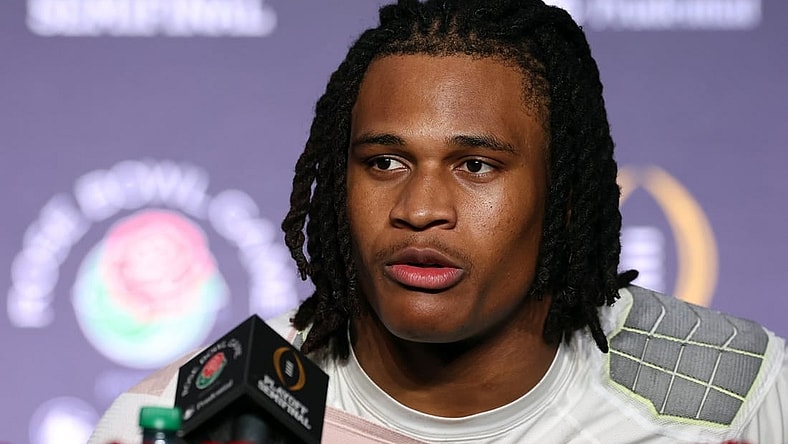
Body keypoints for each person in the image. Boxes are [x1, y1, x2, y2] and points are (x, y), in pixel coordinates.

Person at [90, 0, 788, 442]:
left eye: (476, 166)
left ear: (568, 197)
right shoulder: (189, 420)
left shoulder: (735, 394)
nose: (420, 209)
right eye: (385, 162)